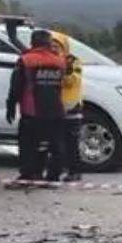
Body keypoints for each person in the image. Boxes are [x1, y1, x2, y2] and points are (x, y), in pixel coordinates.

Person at [6, 29, 66, 182]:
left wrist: (10, 106)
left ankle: (29, 174)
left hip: (32, 111)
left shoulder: (26, 60)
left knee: (28, 145)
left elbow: (16, 86)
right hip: (56, 109)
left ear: (33, 42)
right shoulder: (59, 61)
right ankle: (54, 175)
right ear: (48, 43)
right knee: (55, 144)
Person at [48, 31, 83, 181]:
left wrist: (66, 70)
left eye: (57, 46)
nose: (54, 48)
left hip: (71, 108)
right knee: (56, 142)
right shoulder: (49, 61)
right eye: (52, 46)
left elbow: (72, 81)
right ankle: (56, 169)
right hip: (54, 108)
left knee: (71, 143)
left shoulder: (73, 61)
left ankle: (74, 171)